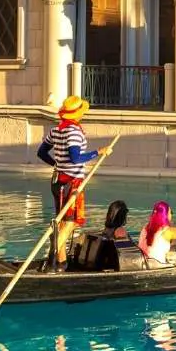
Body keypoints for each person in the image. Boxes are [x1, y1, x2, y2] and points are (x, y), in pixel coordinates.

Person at [36, 96, 112, 271]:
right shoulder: (74, 132)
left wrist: (56, 164)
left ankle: (61, 263)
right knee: (71, 222)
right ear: (78, 114)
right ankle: (53, 255)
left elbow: (41, 152)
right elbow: (76, 158)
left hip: (57, 182)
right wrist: (98, 152)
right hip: (71, 182)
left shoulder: (56, 130)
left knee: (63, 223)